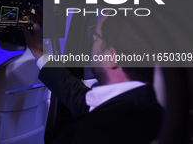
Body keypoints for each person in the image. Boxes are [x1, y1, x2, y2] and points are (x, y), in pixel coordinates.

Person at [23, 8, 163, 144]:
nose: (93, 40)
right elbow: (81, 100)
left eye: (96, 37)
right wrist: (39, 53)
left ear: (111, 56)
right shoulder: (146, 107)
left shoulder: (100, 132)